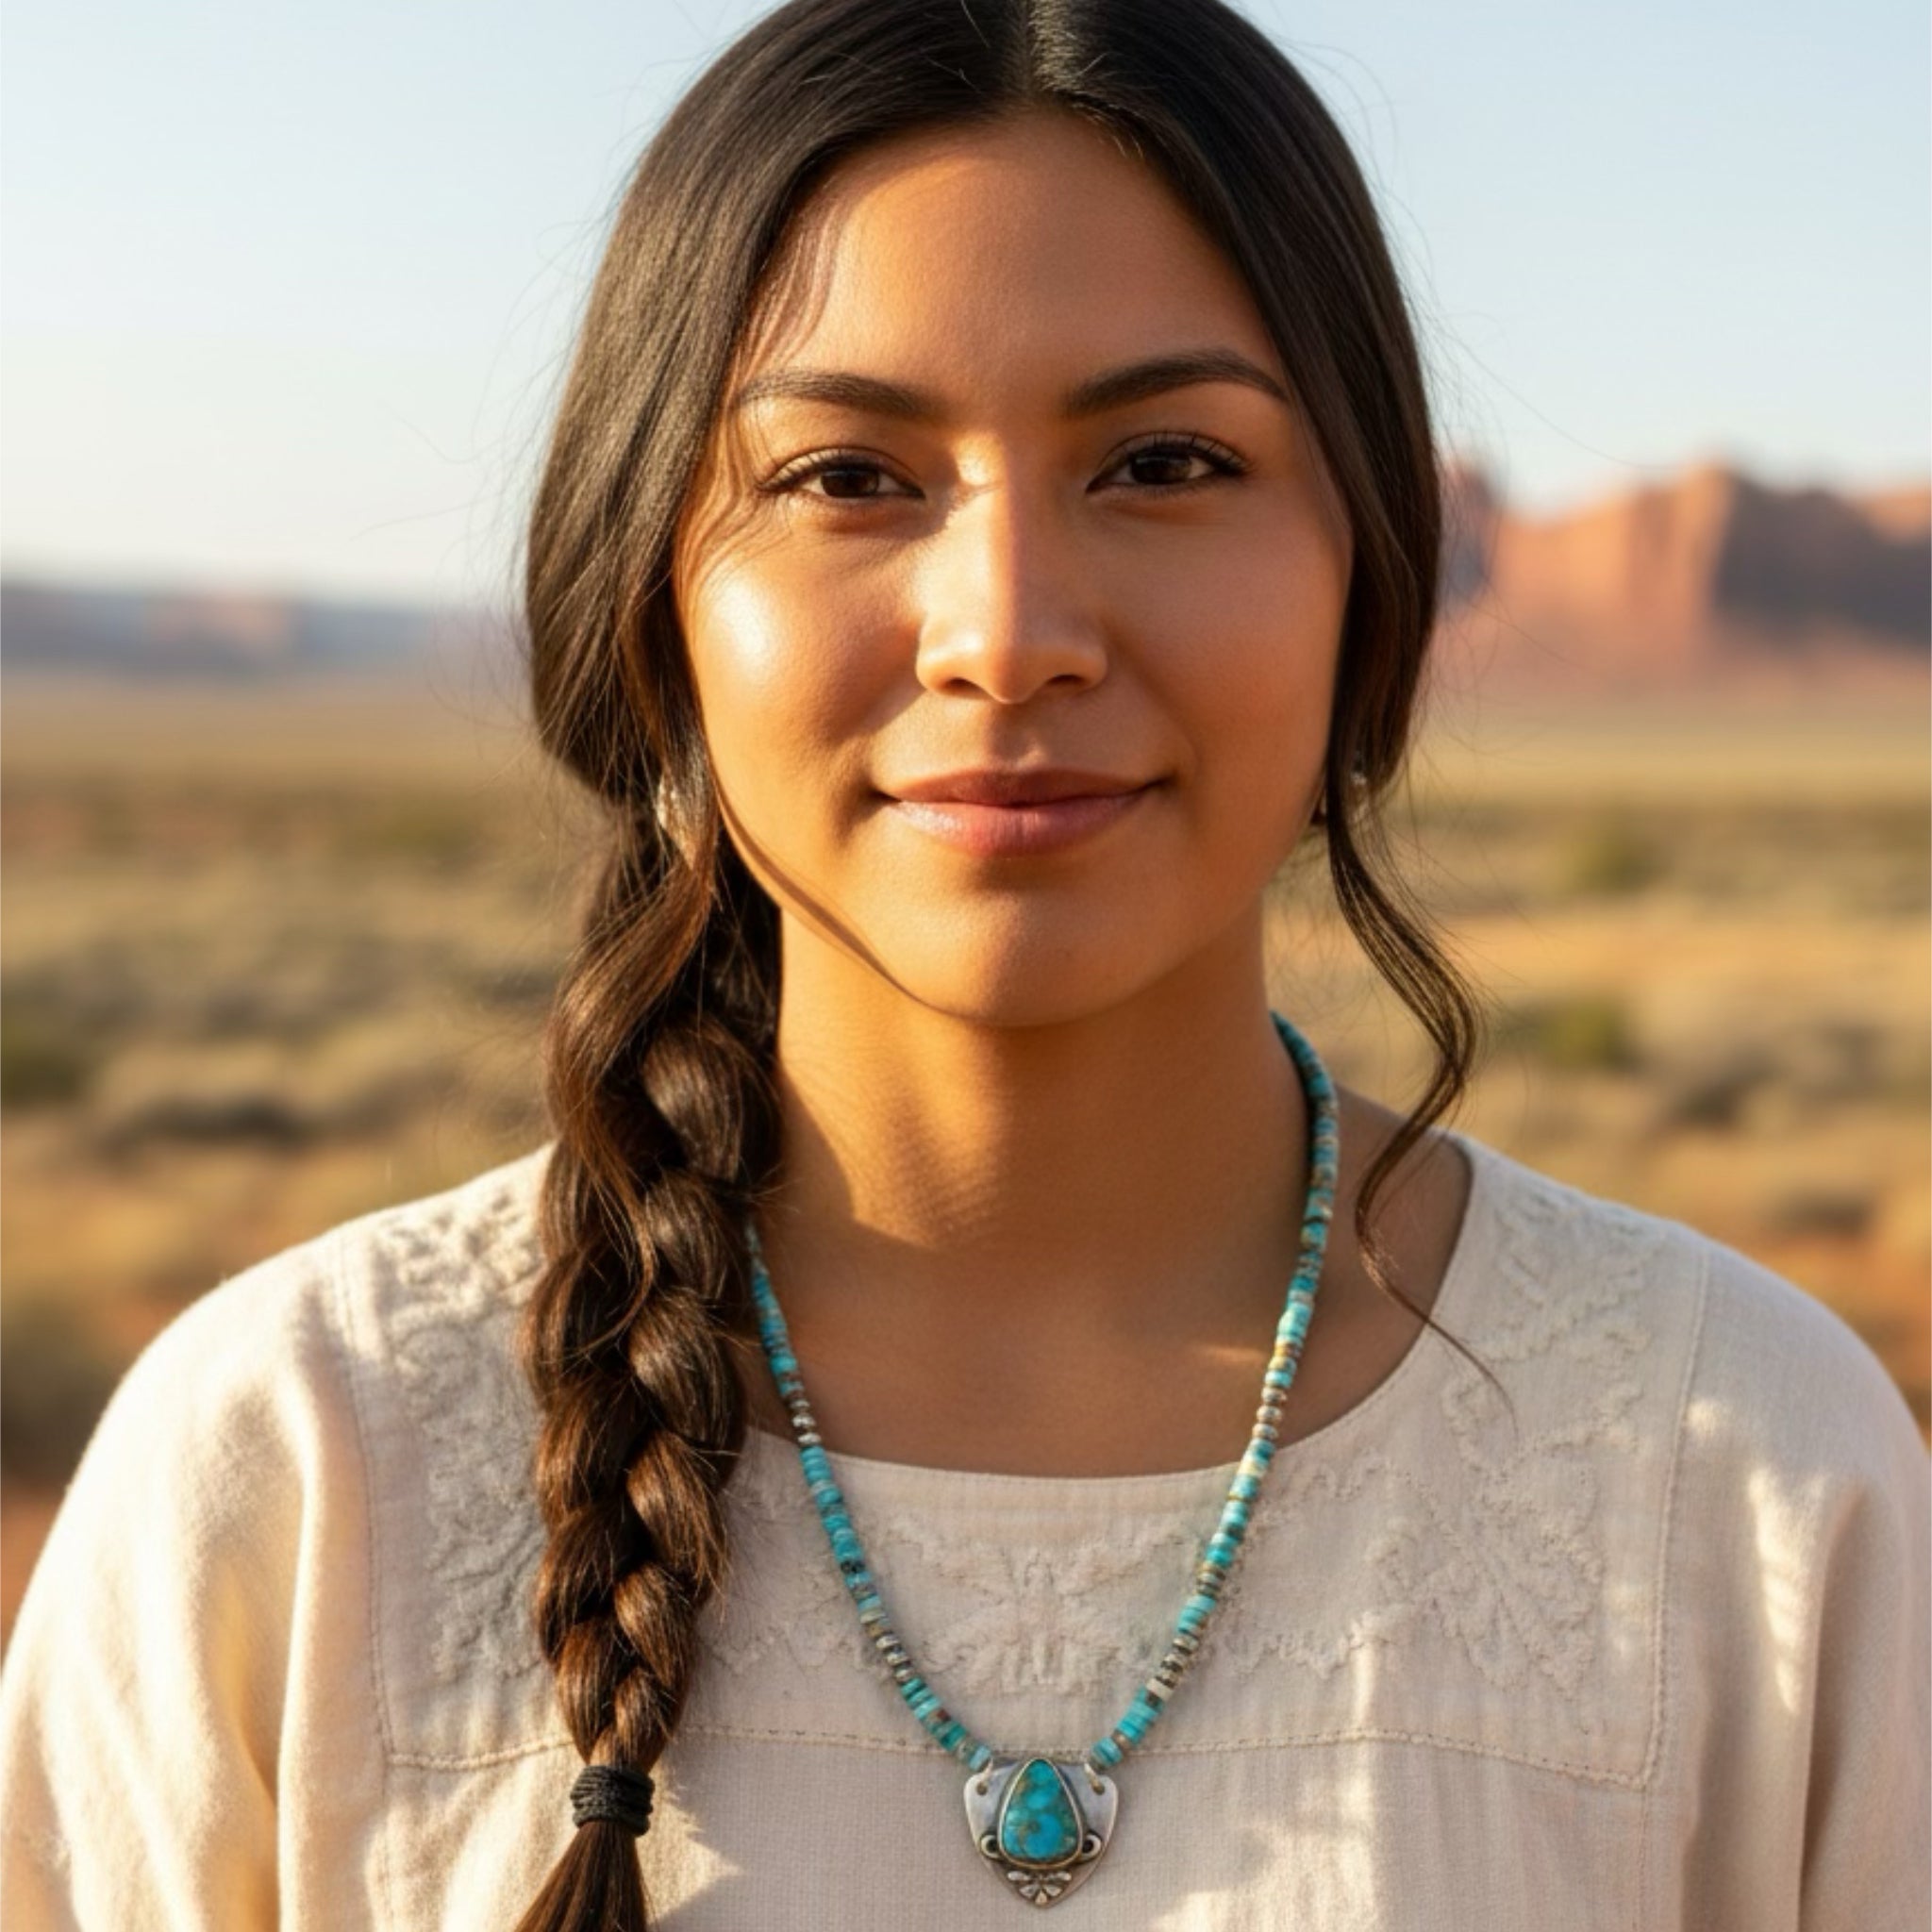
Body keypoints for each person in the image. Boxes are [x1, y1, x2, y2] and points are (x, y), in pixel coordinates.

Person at [3, 0, 1926, 1925]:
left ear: (1372, 581)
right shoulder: (298, 1470)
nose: (1005, 634)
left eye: (1166, 462)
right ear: (652, 603)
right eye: (849, 476)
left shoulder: (1744, 1478)